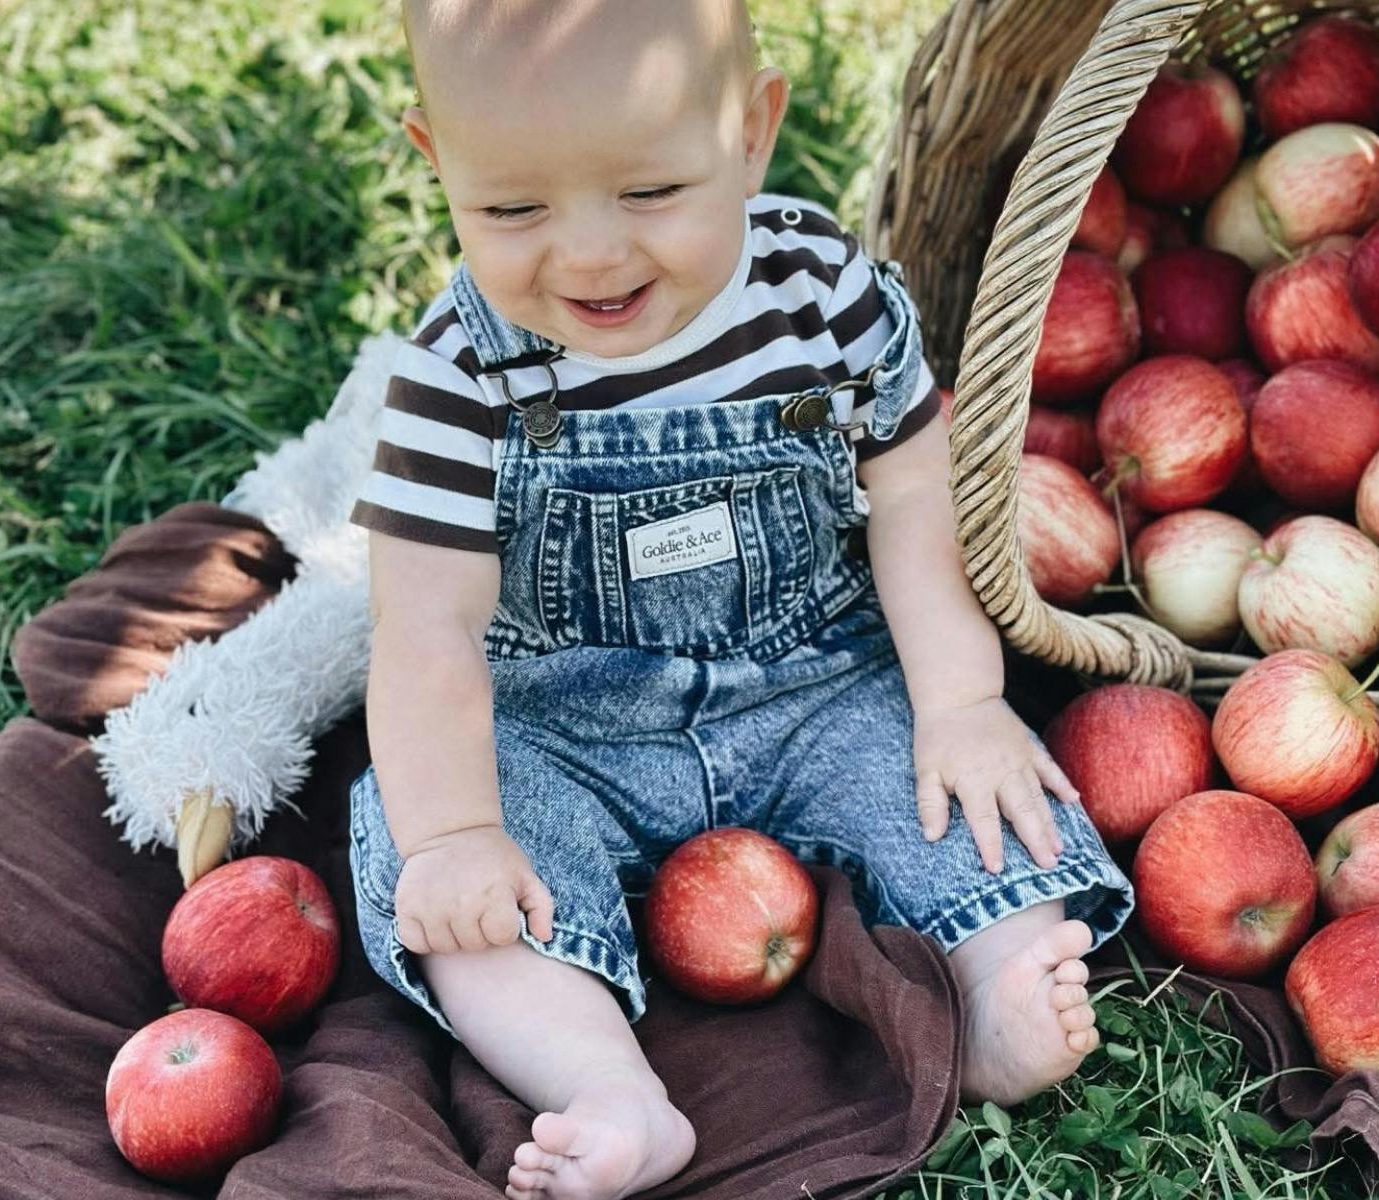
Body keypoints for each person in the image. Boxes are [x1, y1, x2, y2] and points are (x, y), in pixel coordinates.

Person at [346, 2, 1133, 1197]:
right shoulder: (459, 375)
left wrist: (962, 698)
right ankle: (605, 1084)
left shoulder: (822, 295)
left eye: (652, 192)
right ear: (435, 163)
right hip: (563, 721)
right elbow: (426, 626)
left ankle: (990, 987)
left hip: (811, 676)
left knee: (957, 791)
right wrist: (458, 834)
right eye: (513, 208)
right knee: (452, 891)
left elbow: (913, 491)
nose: (592, 254)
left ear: (753, 132)